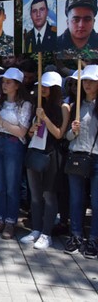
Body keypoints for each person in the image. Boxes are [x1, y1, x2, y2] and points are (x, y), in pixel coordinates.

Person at [21, 71, 69, 250]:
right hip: (34, 151)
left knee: (49, 195)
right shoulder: (38, 104)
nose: (43, 89)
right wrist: (32, 129)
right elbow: (31, 134)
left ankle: (46, 233)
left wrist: (45, 118)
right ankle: (36, 229)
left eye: (47, 86)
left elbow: (59, 133)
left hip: (51, 155)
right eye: (42, 86)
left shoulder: (63, 107)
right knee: (35, 195)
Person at [0, 67, 32, 240]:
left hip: (13, 144)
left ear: (17, 85)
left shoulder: (25, 105)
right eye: (3, 82)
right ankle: (0, 218)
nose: (4, 85)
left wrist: (1, 121)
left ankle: (11, 221)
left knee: (12, 185)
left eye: (8, 82)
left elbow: (22, 131)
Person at [64, 65, 98, 258]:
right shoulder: (75, 105)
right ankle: (76, 236)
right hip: (77, 155)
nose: (87, 84)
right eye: (85, 80)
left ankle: (93, 239)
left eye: (92, 81)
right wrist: (73, 131)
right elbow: (67, 137)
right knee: (76, 200)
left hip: (96, 158)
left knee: (96, 202)